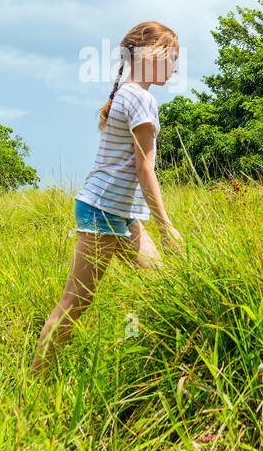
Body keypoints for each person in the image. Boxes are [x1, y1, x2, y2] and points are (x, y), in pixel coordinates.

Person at [31, 21, 183, 375]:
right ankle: (34, 383)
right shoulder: (140, 99)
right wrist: (165, 226)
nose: (175, 69)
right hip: (103, 212)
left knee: (166, 289)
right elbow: (145, 169)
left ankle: (157, 370)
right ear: (151, 54)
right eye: (172, 59)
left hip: (120, 214)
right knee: (76, 301)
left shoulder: (127, 94)